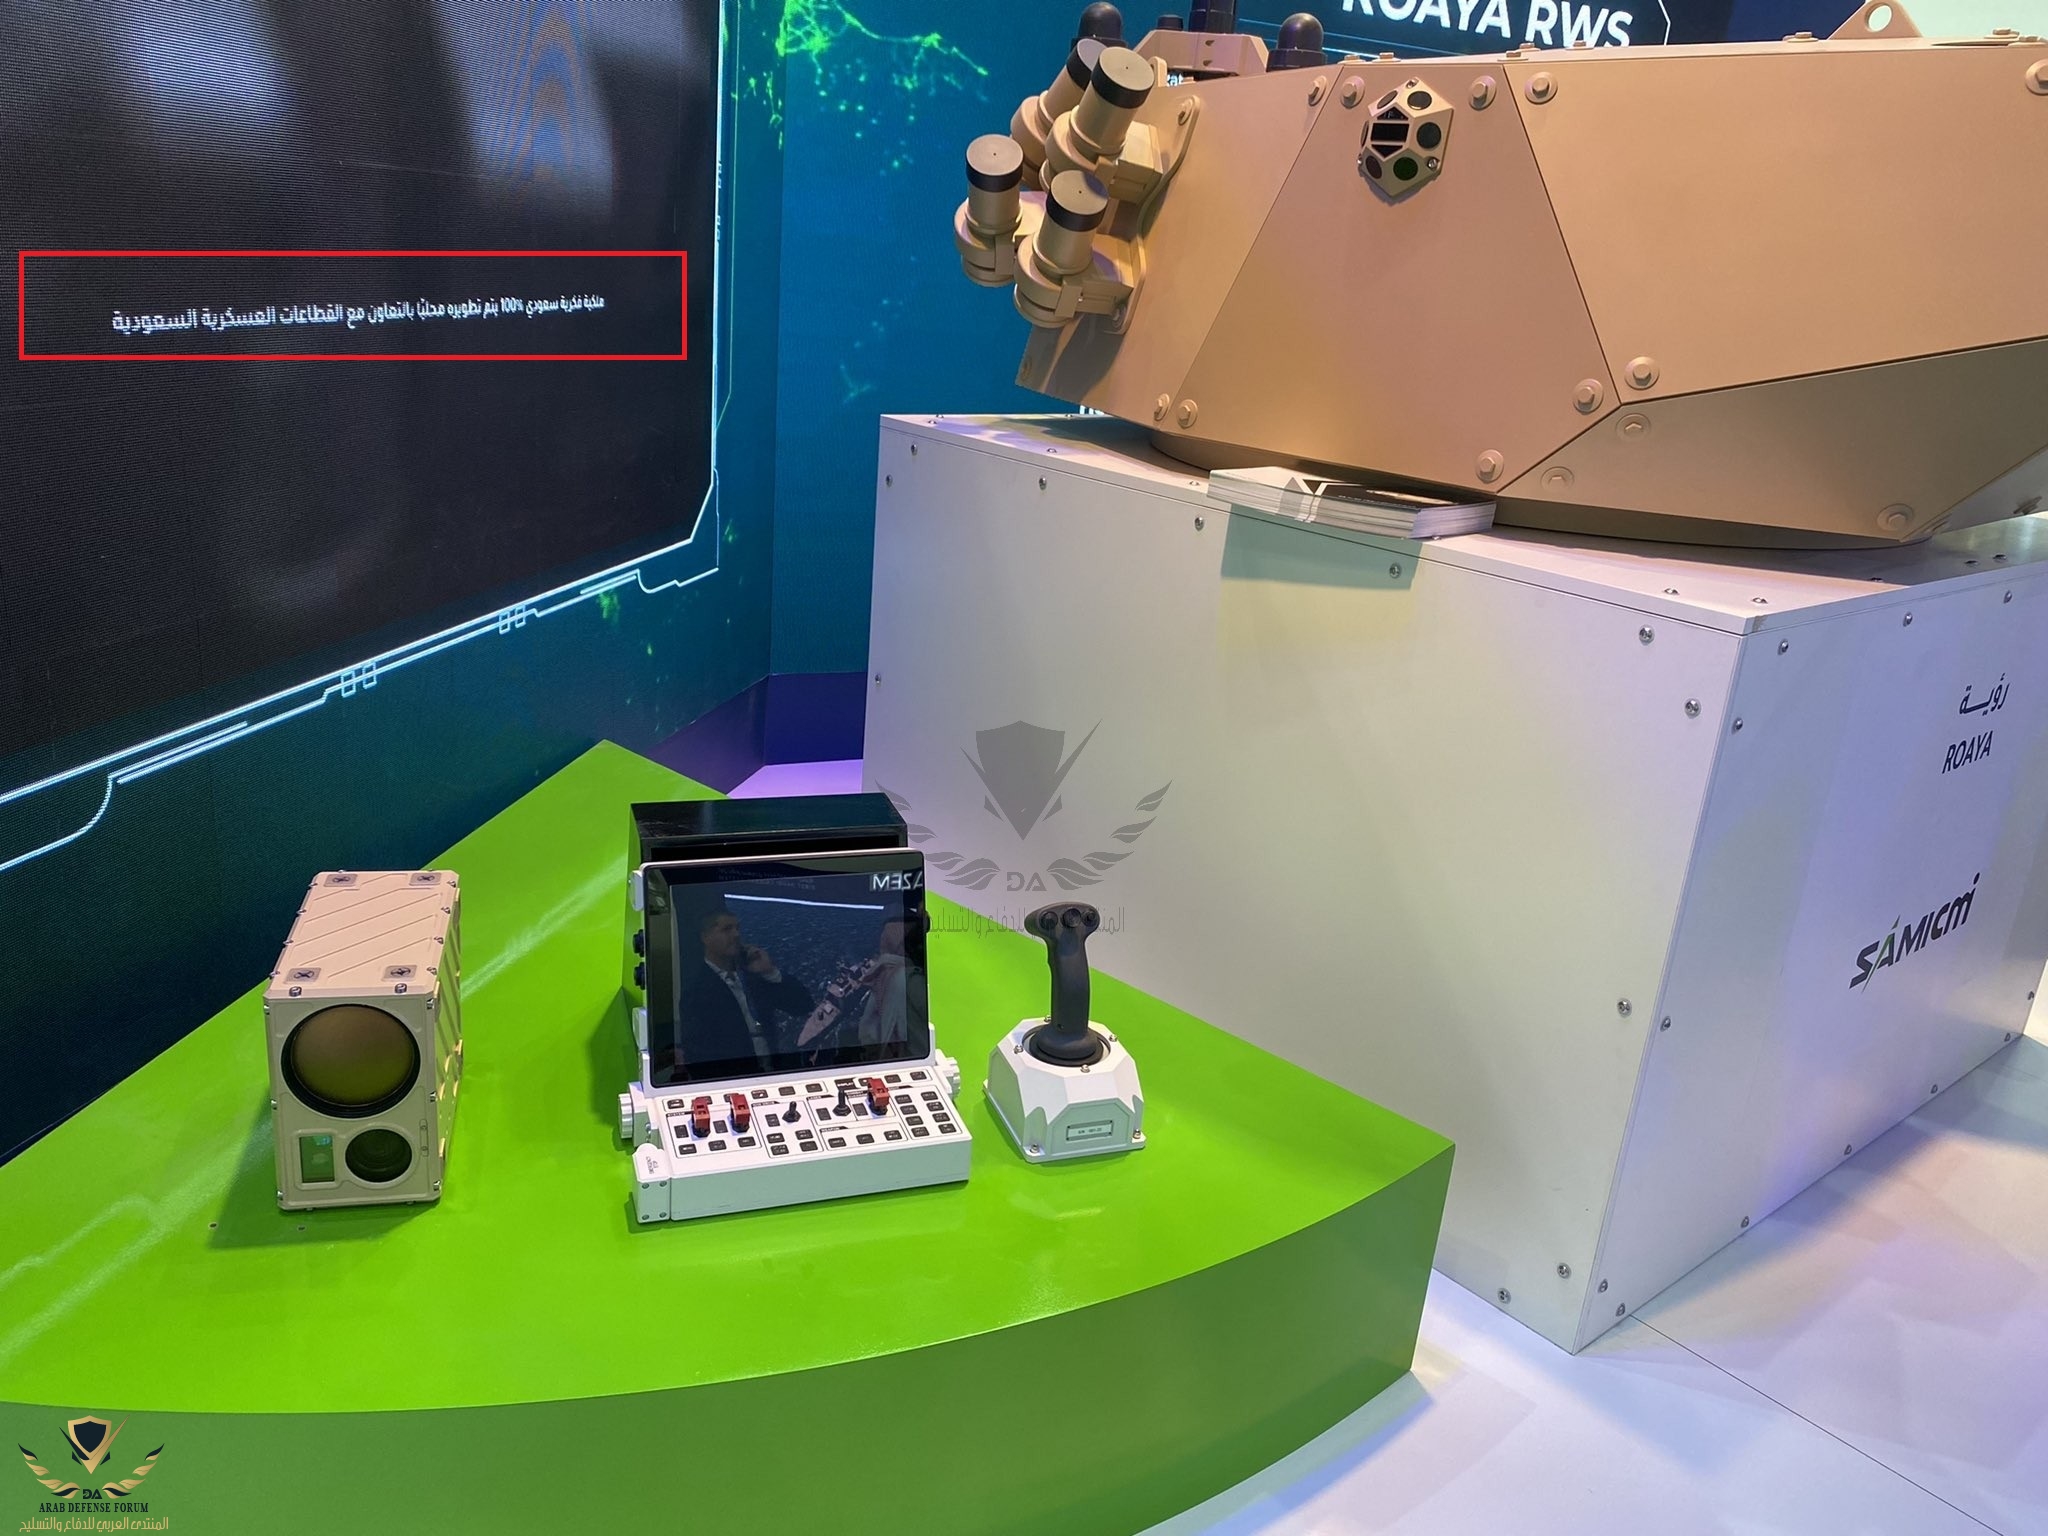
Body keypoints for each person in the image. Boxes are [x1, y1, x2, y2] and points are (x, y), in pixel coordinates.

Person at [670, 908, 813, 1077]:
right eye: (727, 929)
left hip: (775, 1072)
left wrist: (770, 972)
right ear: (705, 937)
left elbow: (803, 1006)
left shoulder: (753, 978)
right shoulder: (696, 992)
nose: (736, 935)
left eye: (737, 928)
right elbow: (699, 1053)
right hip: (736, 1077)